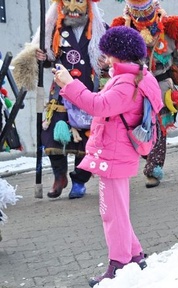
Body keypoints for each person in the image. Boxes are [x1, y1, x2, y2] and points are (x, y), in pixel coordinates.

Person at [53, 26, 163, 286]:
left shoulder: (126, 83)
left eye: (109, 53)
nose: (106, 58)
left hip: (113, 154)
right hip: (117, 152)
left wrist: (70, 84)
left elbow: (99, 105)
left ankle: (119, 264)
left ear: (118, 54)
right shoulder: (137, 76)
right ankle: (134, 256)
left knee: (110, 212)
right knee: (118, 211)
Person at [11, 0, 107, 199]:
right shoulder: (54, 29)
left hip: (89, 92)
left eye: (79, 2)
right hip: (62, 91)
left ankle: (79, 180)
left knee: (88, 140)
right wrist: (41, 56)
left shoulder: (101, 30)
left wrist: (107, 63)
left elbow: (114, 58)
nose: (73, 9)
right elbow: (48, 58)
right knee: (52, 135)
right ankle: (59, 176)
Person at [110, 0, 178, 188]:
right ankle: (143, 155)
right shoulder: (124, 29)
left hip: (161, 85)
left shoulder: (169, 28)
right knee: (132, 124)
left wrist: (174, 72)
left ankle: (154, 167)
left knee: (160, 126)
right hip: (134, 84)